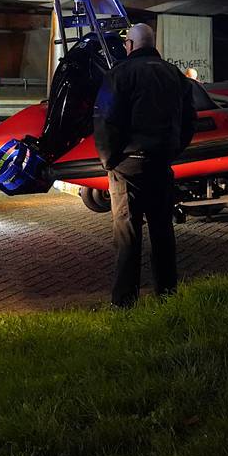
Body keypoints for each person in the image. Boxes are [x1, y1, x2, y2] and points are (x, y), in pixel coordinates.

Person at [93, 23, 197, 307]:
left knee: (128, 235)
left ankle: (125, 302)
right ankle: (166, 296)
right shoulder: (174, 75)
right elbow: (189, 119)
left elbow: (105, 120)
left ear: (130, 45)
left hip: (127, 167)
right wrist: (173, 150)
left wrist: (109, 160)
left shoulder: (119, 74)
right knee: (162, 232)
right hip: (161, 164)